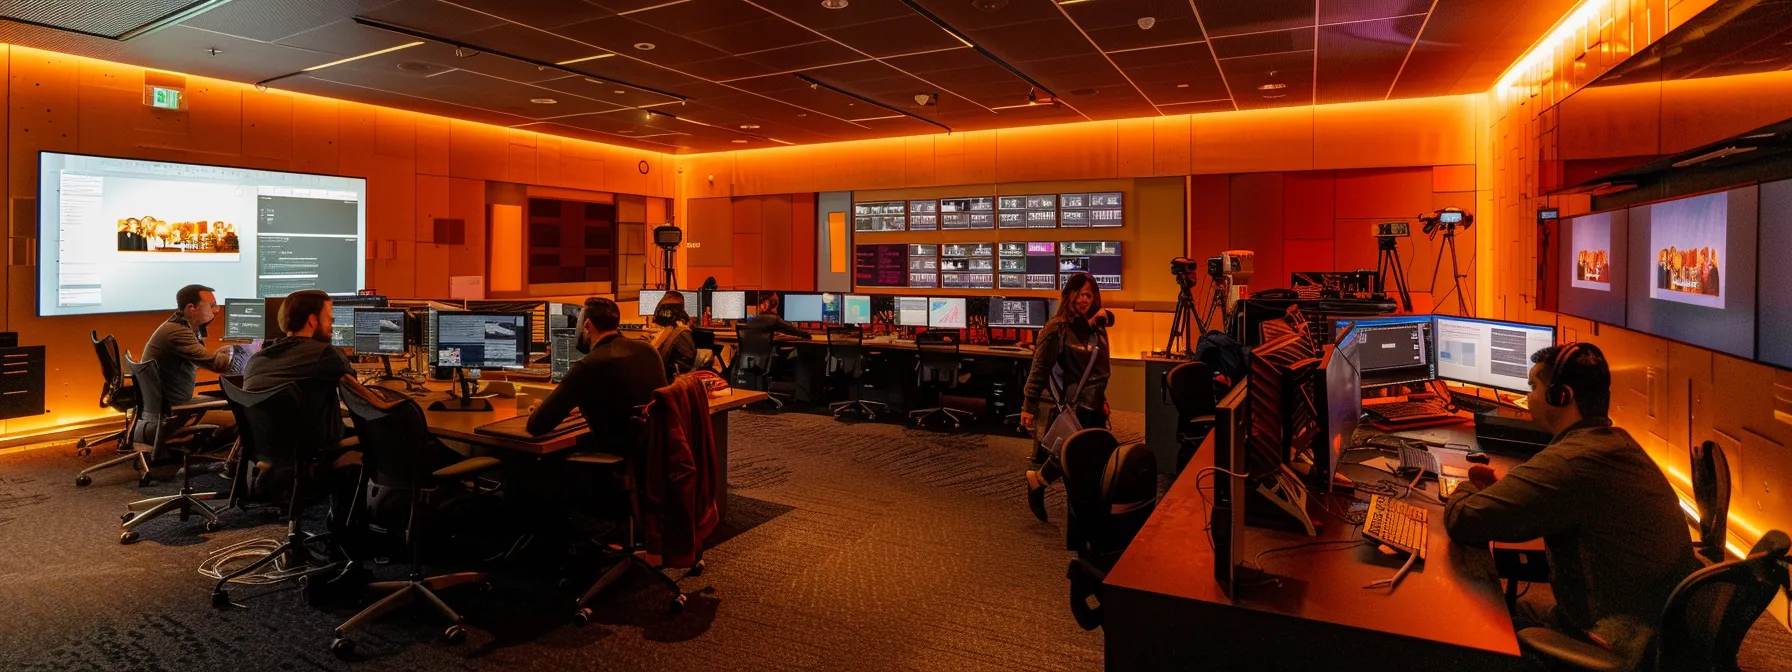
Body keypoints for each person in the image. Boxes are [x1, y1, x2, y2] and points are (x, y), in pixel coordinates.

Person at [1444, 343, 1700, 668]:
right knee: (1489, 602)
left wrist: (1467, 486)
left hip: (1610, 643)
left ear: (1560, 396)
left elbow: (1464, 520)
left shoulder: (1570, 463)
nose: (1527, 396)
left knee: (1461, 631)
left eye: (1533, 387)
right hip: (1648, 630)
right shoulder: (1616, 444)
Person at [1021, 273, 1112, 523]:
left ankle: (1037, 481)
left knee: (1080, 459)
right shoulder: (1057, 328)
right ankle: (1084, 525)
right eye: (1078, 293)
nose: (1083, 299)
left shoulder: (1095, 327)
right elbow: (1039, 369)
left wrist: (1103, 399)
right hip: (1076, 407)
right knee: (1082, 465)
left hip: (1094, 406)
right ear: (1068, 295)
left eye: (1088, 294)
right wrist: (1028, 406)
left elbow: (1097, 369)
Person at [527, 297, 667, 457]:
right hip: (654, 458)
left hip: (614, 458)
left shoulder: (587, 366)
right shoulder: (648, 351)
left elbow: (537, 426)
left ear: (586, 325)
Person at [242, 290, 362, 446]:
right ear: (312, 321)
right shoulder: (325, 353)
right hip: (314, 449)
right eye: (330, 319)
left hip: (265, 448)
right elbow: (359, 397)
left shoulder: (255, 359)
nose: (332, 325)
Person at [136, 284, 244, 445]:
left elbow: (203, 358)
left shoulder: (175, 326)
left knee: (225, 400)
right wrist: (246, 355)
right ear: (192, 308)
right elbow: (218, 366)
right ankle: (197, 446)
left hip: (163, 408)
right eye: (212, 306)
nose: (216, 311)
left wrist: (225, 353)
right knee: (244, 414)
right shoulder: (177, 333)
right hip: (174, 410)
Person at [649, 291, 697, 380]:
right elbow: (687, 365)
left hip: (657, 378)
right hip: (672, 381)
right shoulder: (682, 333)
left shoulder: (650, 336)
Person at [738, 293, 812, 341]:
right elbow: (792, 330)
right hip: (767, 360)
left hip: (748, 360)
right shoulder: (773, 319)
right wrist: (806, 334)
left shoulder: (754, 319)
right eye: (776, 304)